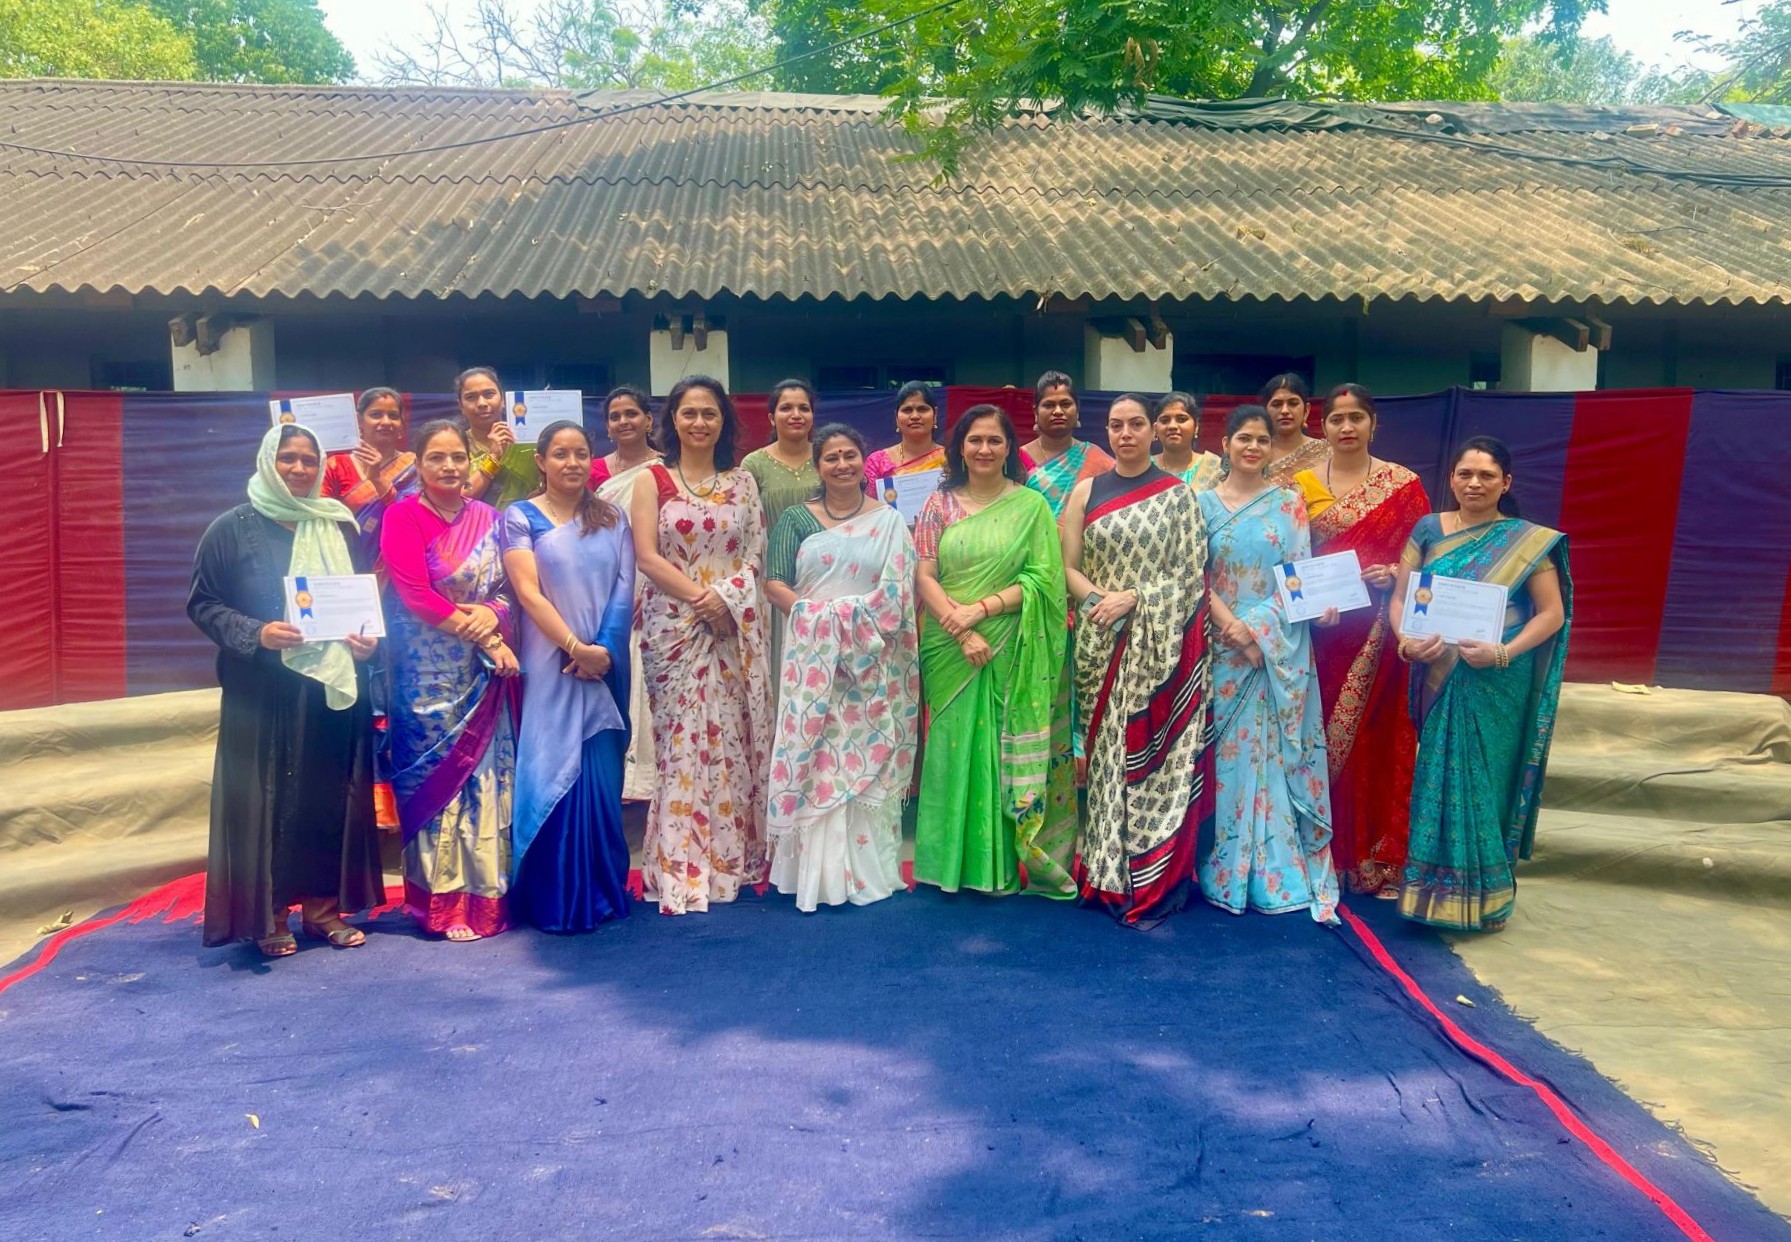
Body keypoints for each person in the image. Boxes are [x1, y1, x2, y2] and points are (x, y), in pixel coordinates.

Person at [187, 425, 385, 957]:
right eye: (288, 459)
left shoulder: (337, 526)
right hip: (263, 693)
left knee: (326, 798)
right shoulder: (230, 528)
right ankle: (270, 913)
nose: (299, 469)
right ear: (267, 461)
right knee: (267, 799)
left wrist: (367, 644)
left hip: (330, 691)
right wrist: (258, 633)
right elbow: (203, 603)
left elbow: (361, 604)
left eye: (308, 460)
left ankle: (323, 910)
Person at [1392, 436, 1571, 933]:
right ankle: (1429, 894)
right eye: (1465, 474)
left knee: (1484, 781)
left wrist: (1503, 652)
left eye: (1487, 476)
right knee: (1436, 776)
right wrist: (1406, 642)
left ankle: (1485, 898)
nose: (1474, 483)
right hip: (1437, 671)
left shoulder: (1525, 540)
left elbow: (1551, 613)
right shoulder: (1428, 529)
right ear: (1451, 479)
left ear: (1505, 483)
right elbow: (1403, 598)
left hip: (1495, 678)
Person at [1060, 396, 1213, 926]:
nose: (1125, 433)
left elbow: (1191, 576)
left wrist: (1137, 599)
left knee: (1151, 756)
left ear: (1153, 432)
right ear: (1107, 431)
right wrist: (1102, 601)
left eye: (1136, 425)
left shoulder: (1179, 495)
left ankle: (1155, 875)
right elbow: (1068, 567)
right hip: (1102, 640)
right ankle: (1105, 871)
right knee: (1105, 759)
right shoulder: (1086, 492)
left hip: (1159, 651)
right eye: (1116, 425)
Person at [912, 404, 1076, 899]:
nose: (984, 449)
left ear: (1010, 449)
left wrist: (979, 611)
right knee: (950, 746)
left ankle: (997, 867)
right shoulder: (938, 505)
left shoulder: (1030, 507)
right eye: (975, 440)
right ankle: (945, 867)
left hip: (1010, 642)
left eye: (995, 441)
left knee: (1000, 751)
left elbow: (1045, 582)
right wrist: (960, 630)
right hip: (948, 644)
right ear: (959, 447)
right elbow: (924, 575)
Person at [630, 375, 771, 915]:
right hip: (675, 629)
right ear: (671, 421)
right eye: (688, 413)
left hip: (730, 629)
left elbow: (755, 554)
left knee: (729, 742)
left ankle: (729, 863)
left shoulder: (742, 484)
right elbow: (646, 555)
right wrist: (703, 600)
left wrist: (727, 601)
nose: (698, 422)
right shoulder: (653, 480)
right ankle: (680, 866)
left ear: (723, 422)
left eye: (709, 413)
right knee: (682, 747)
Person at [764, 424, 920, 912]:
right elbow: (775, 583)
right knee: (816, 753)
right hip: (813, 661)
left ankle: (869, 870)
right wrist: (822, 620)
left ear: (863, 461)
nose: (842, 465)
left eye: (850, 455)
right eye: (831, 457)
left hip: (874, 662)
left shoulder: (889, 520)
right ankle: (813, 877)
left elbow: (898, 590)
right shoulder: (795, 519)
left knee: (866, 751)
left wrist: (855, 626)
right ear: (818, 465)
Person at [1196, 405, 1341, 923]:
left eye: (1261, 439)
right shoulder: (1202, 504)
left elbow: (1297, 575)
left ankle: (1278, 872)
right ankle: (1224, 869)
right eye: (1243, 439)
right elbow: (1196, 575)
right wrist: (1235, 630)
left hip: (1279, 651)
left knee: (1275, 756)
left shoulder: (1289, 504)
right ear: (1226, 443)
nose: (1253, 447)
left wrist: (1258, 631)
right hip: (1221, 649)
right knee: (1228, 762)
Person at [382, 419, 521, 941]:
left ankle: (486, 896)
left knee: (485, 777)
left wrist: (497, 613)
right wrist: (487, 637)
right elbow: (416, 595)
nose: (448, 466)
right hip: (427, 675)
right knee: (437, 782)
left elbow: (511, 584)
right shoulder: (403, 516)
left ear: (471, 460)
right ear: (418, 463)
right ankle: (440, 905)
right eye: (436, 457)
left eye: (458, 457)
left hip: (481, 676)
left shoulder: (489, 516)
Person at [1290, 383, 1430, 894]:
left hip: (1378, 638)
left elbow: (1425, 564)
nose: (1346, 428)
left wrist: (1394, 572)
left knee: (1375, 742)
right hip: (1316, 634)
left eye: (1357, 417)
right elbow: (1285, 560)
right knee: (1310, 738)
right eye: (1336, 419)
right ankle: (1313, 853)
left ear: (1374, 423)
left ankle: (1373, 858)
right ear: (1321, 426)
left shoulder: (1404, 486)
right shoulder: (1296, 486)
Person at [502, 421, 635, 933]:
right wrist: (575, 647)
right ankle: (554, 897)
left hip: (605, 666)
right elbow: (528, 593)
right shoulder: (521, 517)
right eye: (561, 454)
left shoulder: (613, 517)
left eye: (581, 453)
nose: (572, 462)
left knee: (601, 776)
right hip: (550, 664)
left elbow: (625, 587)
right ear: (540, 460)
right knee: (550, 765)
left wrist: (603, 650)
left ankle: (602, 891)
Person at [587, 383, 663, 802]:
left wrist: (647, 589)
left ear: (649, 420)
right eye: (615, 416)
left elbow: (668, 539)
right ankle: (610, 782)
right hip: (600, 588)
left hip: (651, 589)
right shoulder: (594, 470)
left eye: (631, 413)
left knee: (646, 682)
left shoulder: (664, 470)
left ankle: (645, 785)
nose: (623, 421)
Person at [742, 379, 820, 692]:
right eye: (786, 408)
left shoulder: (829, 456)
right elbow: (747, 526)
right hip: (773, 580)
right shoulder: (754, 464)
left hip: (824, 577)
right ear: (772, 417)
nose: (796, 414)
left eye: (804, 407)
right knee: (779, 665)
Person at [320, 386, 417, 562]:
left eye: (393, 416)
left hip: (402, 562)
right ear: (359, 421)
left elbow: (417, 517)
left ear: (402, 425)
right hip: (347, 560)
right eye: (376, 414)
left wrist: (377, 480)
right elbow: (321, 518)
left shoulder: (414, 466)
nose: (386, 421)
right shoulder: (336, 466)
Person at [1021, 371, 1114, 519]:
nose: (1058, 411)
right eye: (1049, 405)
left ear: (1077, 411)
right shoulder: (1018, 460)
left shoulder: (1095, 458)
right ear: (1036, 412)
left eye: (1065, 404)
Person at [457, 366, 540, 509]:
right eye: (471, 397)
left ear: (503, 400)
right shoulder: (456, 445)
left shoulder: (528, 443)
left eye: (489, 394)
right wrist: (494, 456)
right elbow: (459, 497)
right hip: (474, 529)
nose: (482, 403)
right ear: (461, 406)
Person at [863, 380, 945, 501]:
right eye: (907, 410)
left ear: (935, 414)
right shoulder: (878, 462)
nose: (915, 416)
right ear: (897, 417)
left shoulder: (951, 459)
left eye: (922, 409)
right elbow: (868, 507)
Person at [1259, 372, 1330, 485]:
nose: (1285, 411)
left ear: (1306, 411)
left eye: (1293, 403)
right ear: (1264, 411)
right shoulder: (1254, 452)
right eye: (1277, 404)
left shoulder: (1325, 452)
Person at [1152, 391, 1222, 491]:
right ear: (1155, 429)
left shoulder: (1213, 467)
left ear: (1196, 426)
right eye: (1164, 420)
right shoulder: (1144, 467)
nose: (1172, 426)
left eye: (1181, 419)